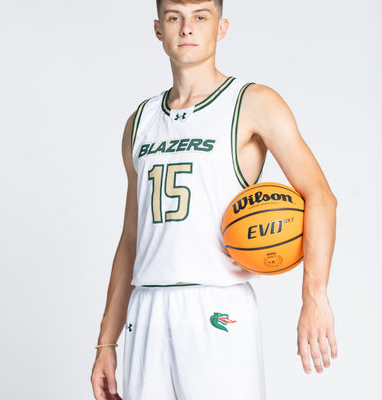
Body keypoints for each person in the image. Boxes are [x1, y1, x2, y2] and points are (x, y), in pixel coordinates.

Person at [91, 0, 338, 399]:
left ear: (221, 28)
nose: (187, 28)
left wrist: (315, 296)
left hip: (216, 305)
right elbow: (131, 240)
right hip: (146, 309)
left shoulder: (252, 102)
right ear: (159, 29)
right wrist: (106, 341)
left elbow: (320, 196)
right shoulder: (139, 122)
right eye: (175, 17)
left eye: (201, 16)